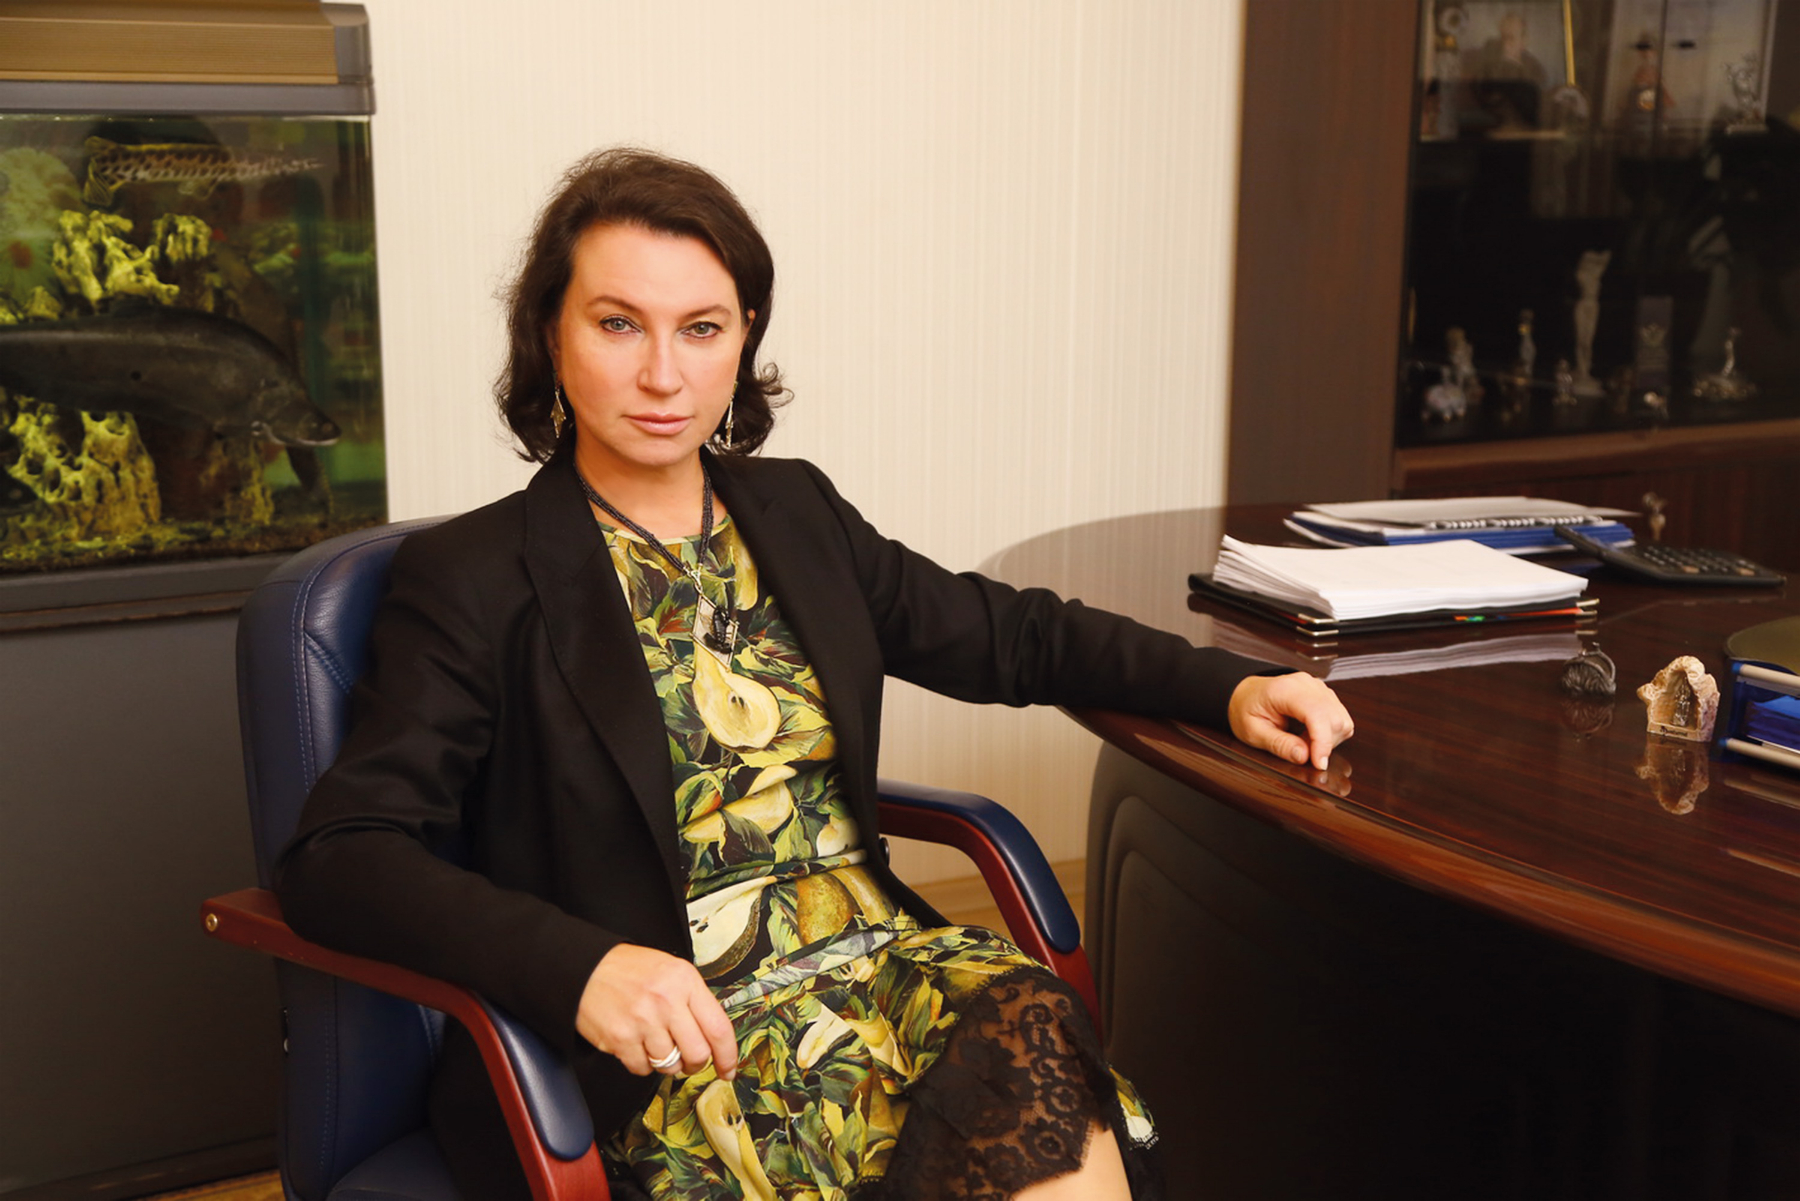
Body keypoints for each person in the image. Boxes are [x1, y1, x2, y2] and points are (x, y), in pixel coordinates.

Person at [276, 147, 1354, 1201]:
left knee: (1025, 1022)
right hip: (677, 1043)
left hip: (881, 969)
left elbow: (1008, 634)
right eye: (619, 324)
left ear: (744, 336)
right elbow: (342, 853)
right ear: (551, 335)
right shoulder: (472, 575)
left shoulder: (794, 510)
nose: (664, 374)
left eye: (702, 328)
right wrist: (583, 967)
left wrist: (1226, 687)